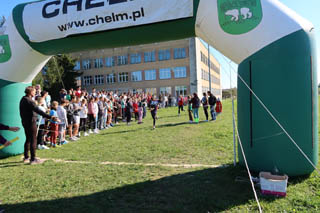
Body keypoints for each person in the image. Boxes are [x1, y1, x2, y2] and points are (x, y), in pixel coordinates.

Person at [19, 86, 56, 165]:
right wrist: (50, 117)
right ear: (31, 92)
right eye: (34, 91)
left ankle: (26, 157)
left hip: (25, 122)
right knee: (33, 139)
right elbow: (38, 110)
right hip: (31, 122)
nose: (35, 92)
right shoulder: (29, 101)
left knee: (28, 139)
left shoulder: (23, 99)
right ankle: (33, 159)